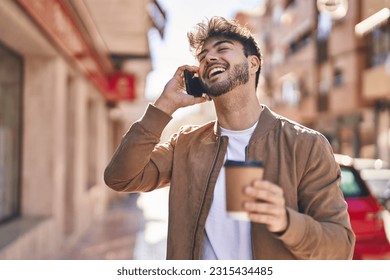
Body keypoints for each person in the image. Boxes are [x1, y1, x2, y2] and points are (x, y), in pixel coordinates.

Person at [104, 16, 355, 260]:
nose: (209, 57)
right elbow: (120, 178)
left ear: (253, 63)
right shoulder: (185, 145)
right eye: (202, 57)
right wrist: (164, 106)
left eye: (222, 48)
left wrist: (286, 221)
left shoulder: (306, 145)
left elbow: (340, 248)